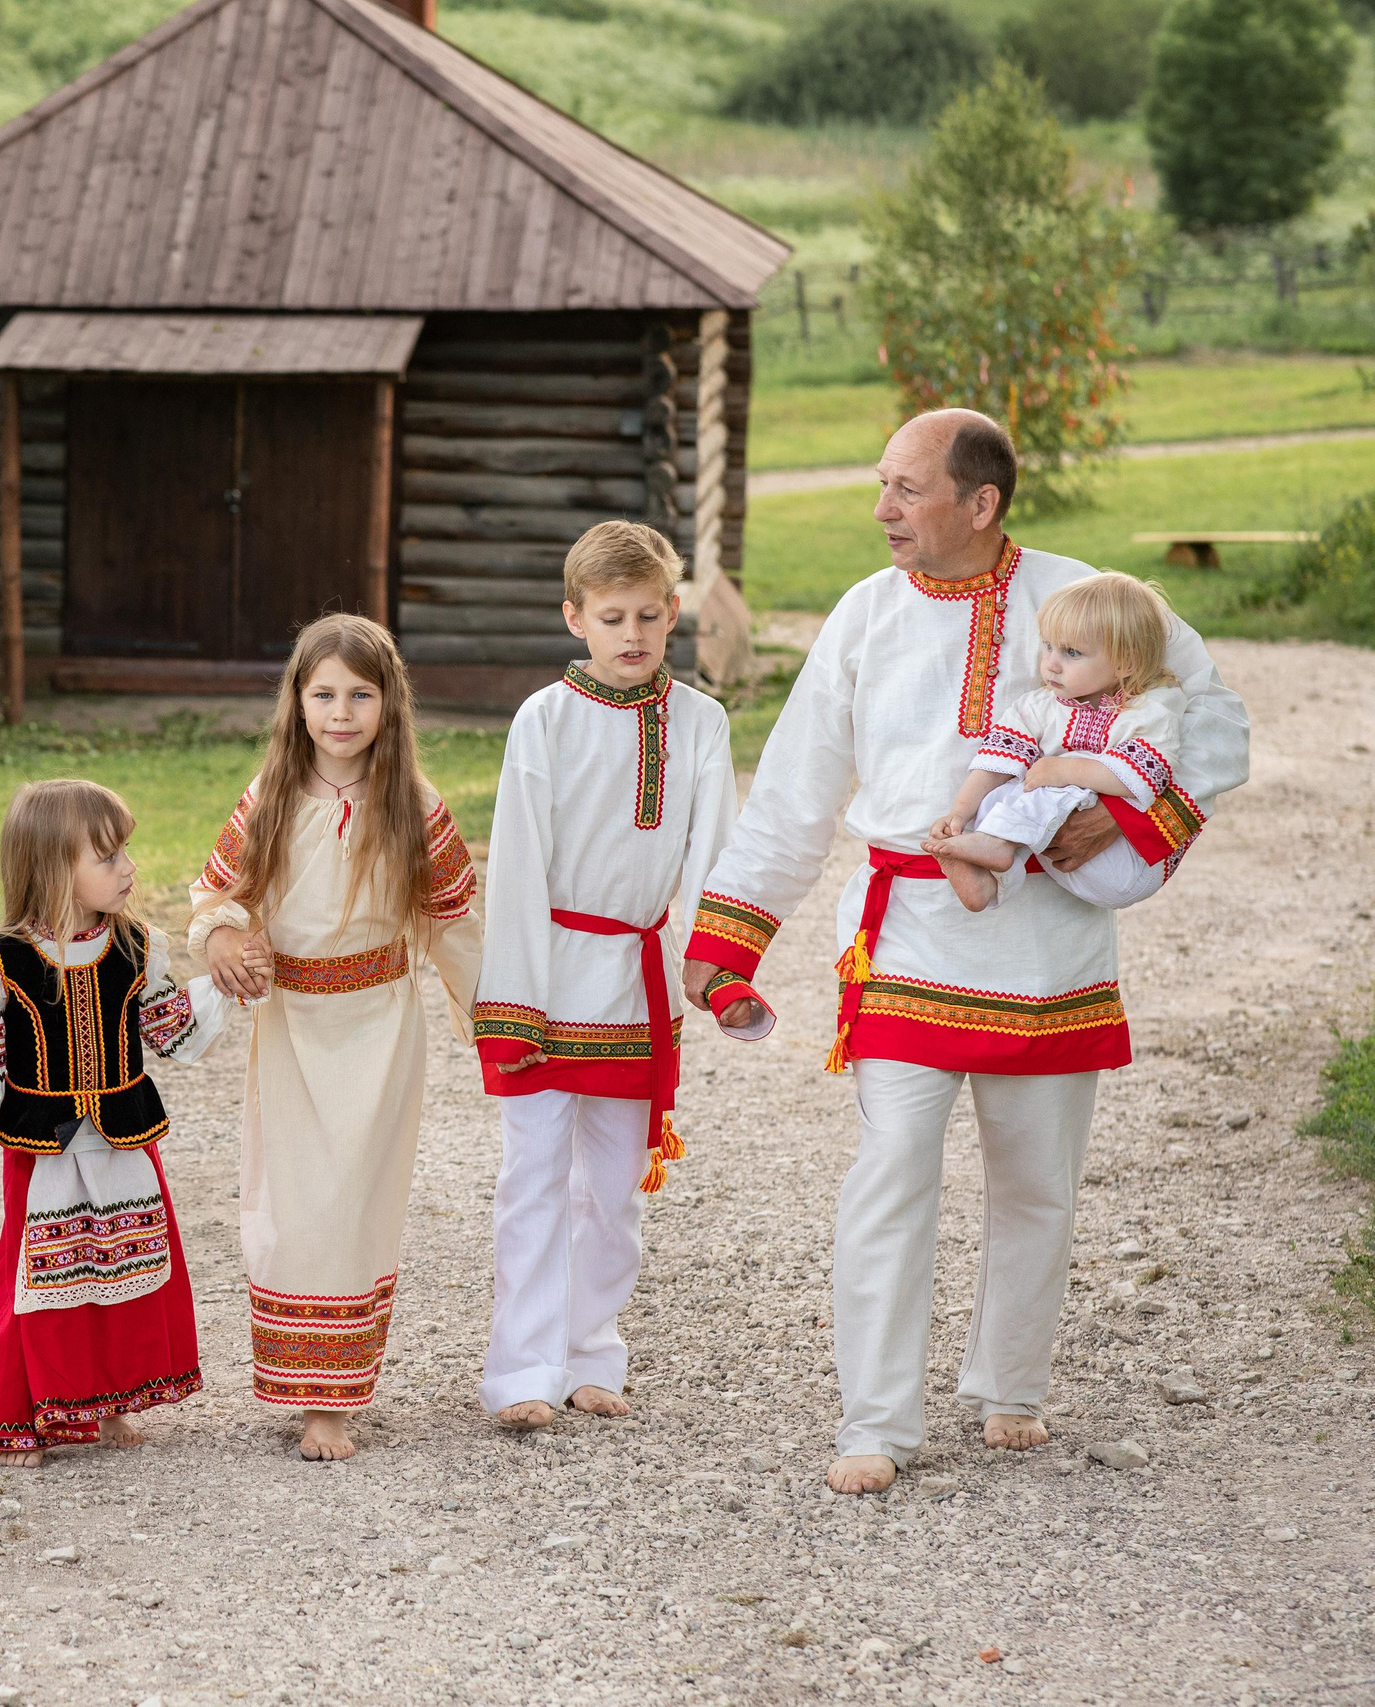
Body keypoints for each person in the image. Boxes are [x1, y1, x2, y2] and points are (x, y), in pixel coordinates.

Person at [681, 410, 1247, 1496]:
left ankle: (1010, 1387)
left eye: (906, 488)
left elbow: (1212, 721)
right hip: (903, 932)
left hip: (1053, 938)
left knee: (1036, 1181)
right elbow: (796, 789)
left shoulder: (1099, 601)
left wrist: (1141, 823)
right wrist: (728, 932)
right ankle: (876, 1420)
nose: (881, 508)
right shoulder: (861, 614)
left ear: (980, 504)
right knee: (891, 1168)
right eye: (880, 483)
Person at [471, 522, 770, 1433]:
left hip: (634, 983)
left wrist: (717, 964)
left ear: (674, 611)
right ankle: (521, 1367)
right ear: (575, 618)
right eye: (611, 616)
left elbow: (717, 848)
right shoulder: (544, 719)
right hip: (549, 975)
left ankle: (591, 1350)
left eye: (649, 614)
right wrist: (512, 1002)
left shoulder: (701, 722)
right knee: (531, 1177)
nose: (632, 632)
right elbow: (518, 863)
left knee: (612, 1181)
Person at [190, 613, 481, 1461]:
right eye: (324, 693)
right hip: (291, 1026)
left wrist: (500, 1020)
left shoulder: (415, 807)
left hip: (380, 1025)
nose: (342, 712)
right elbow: (218, 897)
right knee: (293, 1204)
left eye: (361, 693)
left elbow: (455, 925)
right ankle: (300, 1382)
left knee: (354, 1205)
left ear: (390, 703)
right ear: (298, 700)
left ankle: (335, 1401)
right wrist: (221, 940)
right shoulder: (268, 795)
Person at [0, 780, 230, 1468]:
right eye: (110, 855)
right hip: (45, 1148)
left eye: (126, 852)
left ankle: (111, 1400)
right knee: (40, 1276)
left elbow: (171, 1032)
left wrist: (226, 983)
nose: (129, 869)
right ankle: (22, 1411)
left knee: (125, 1262)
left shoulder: (136, 948)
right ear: (56, 867)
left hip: (123, 1136)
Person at [924, 572, 1186, 913]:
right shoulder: (1039, 707)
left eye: (1071, 652)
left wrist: (1064, 769)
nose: (1051, 663)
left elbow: (1146, 779)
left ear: (1126, 662)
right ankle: (987, 885)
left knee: (1056, 771)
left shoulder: (1150, 709)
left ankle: (1000, 844)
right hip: (1067, 856)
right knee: (1003, 791)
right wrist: (959, 813)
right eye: (1048, 645)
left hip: (1130, 858)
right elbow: (996, 761)